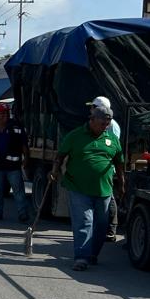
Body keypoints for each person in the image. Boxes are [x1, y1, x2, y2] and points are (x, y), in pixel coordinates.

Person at [53, 103, 125, 271]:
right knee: (85, 222)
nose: (105, 127)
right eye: (102, 123)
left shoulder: (111, 139)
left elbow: (120, 163)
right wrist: (55, 171)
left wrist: (122, 184)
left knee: (101, 225)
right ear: (92, 120)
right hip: (78, 188)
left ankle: (92, 254)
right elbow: (60, 156)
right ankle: (81, 258)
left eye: (108, 123)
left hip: (104, 190)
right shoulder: (75, 136)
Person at [89, 96, 121, 241]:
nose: (91, 110)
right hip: (102, 168)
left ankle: (111, 229)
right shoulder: (97, 123)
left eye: (93, 107)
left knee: (109, 198)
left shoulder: (110, 125)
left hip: (107, 169)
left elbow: (111, 148)